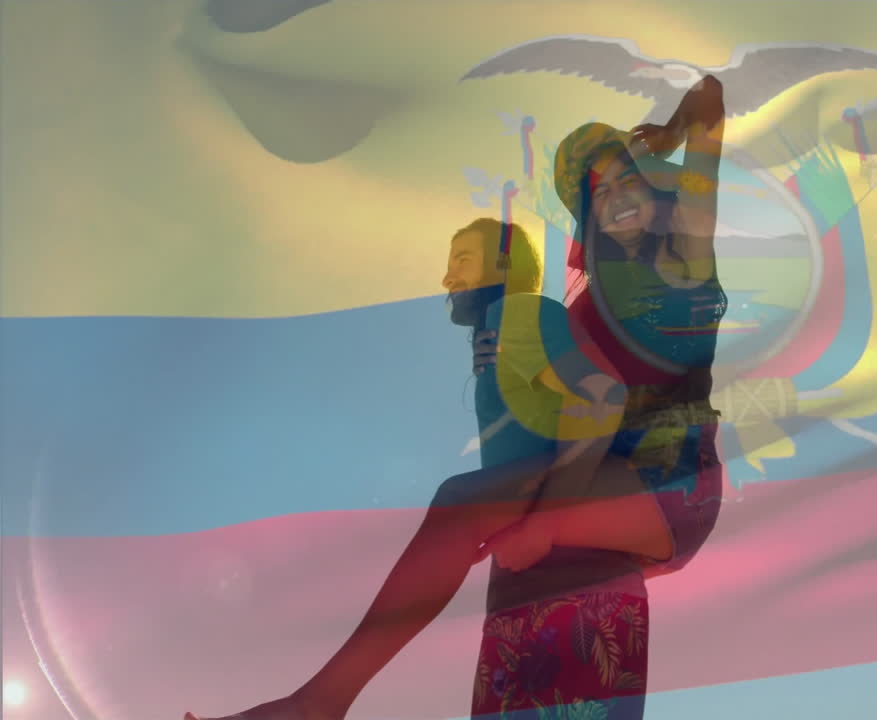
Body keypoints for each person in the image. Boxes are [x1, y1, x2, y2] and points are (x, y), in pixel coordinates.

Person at [185, 74, 727, 720]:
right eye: (599, 190)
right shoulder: (583, 307)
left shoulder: (688, 252)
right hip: (612, 475)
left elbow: (711, 98)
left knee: (473, 506)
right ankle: (318, 703)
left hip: (673, 480)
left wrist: (669, 133)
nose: (616, 195)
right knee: (457, 507)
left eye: (627, 178)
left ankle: (318, 702)